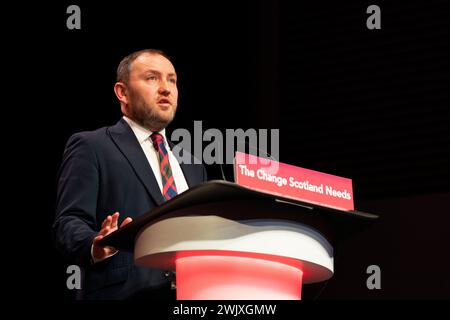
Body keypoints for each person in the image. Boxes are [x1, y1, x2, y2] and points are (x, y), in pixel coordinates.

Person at [53, 49, 208, 299]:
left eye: (172, 79)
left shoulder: (192, 164)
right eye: (152, 78)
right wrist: (96, 242)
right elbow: (68, 222)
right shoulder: (92, 146)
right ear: (122, 92)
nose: (166, 88)